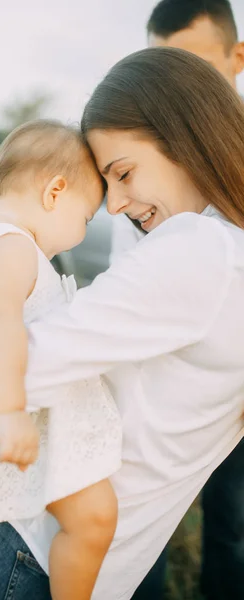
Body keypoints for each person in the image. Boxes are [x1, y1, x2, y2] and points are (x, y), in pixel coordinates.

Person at [0, 47, 244, 600]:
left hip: (25, 559)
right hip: (49, 556)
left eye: (123, 173)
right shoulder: (227, 253)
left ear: (184, 137)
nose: (114, 206)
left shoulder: (200, 248)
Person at [0, 120, 122, 600]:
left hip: (26, 417)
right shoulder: (13, 247)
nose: (79, 235)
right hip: (31, 424)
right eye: (84, 218)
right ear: (54, 191)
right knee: (95, 518)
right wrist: (7, 413)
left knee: (92, 518)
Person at [108, 2, 244, 598]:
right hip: (157, 396)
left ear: (238, 59)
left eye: (190, 66)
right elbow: (123, 271)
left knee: (235, 530)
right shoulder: (146, 169)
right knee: (137, 530)